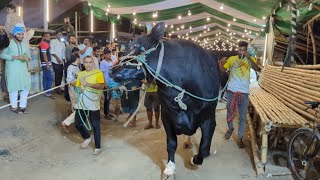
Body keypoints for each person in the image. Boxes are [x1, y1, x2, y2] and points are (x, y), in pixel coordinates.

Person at [222, 41, 260, 148]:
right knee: (229, 112)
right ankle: (230, 128)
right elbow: (223, 69)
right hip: (231, 91)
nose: (241, 52)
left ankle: (240, 138)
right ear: (237, 49)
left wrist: (249, 58)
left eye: (244, 50)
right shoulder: (232, 59)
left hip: (243, 93)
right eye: (240, 50)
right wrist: (223, 64)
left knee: (242, 116)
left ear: (246, 50)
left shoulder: (249, 60)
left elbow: (257, 69)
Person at [74, 56, 104, 155]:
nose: (88, 64)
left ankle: (98, 147)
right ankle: (87, 137)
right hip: (82, 103)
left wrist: (88, 84)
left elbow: (101, 85)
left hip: (93, 104)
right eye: (86, 62)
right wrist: (78, 90)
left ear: (93, 63)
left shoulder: (98, 72)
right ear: (83, 64)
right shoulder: (80, 74)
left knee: (95, 126)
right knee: (78, 123)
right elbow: (77, 86)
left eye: (90, 62)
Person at [0, 24, 31, 114]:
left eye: (22, 34)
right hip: (12, 70)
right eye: (19, 34)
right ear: (15, 34)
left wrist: (27, 58)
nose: (21, 36)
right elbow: (2, 55)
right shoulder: (9, 43)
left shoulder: (25, 44)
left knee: (25, 88)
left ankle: (22, 106)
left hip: (23, 70)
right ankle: (14, 107)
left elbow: (28, 56)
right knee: (14, 89)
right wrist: (15, 57)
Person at [61, 54, 81, 132]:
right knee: (78, 109)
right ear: (77, 58)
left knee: (77, 108)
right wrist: (77, 82)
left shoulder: (76, 67)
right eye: (79, 58)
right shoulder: (70, 67)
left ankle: (74, 123)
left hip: (78, 90)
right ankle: (65, 123)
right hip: (74, 91)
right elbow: (69, 81)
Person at [39, 32, 55, 99]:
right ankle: (48, 92)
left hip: (44, 63)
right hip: (46, 63)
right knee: (50, 78)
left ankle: (46, 91)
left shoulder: (43, 43)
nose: (48, 37)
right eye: (46, 36)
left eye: (49, 36)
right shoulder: (44, 43)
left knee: (45, 78)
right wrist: (48, 64)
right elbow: (44, 55)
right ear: (43, 37)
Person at [100, 48, 113, 120]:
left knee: (109, 98)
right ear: (104, 55)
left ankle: (107, 112)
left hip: (111, 82)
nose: (109, 55)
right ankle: (106, 113)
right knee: (106, 98)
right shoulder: (103, 62)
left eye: (110, 54)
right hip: (106, 83)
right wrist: (104, 83)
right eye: (108, 54)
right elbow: (101, 73)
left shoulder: (111, 62)